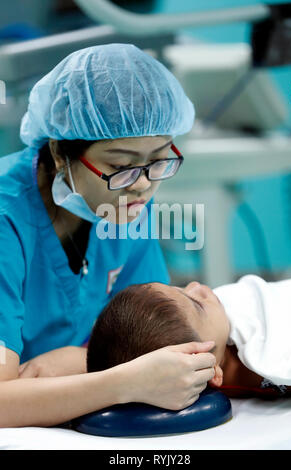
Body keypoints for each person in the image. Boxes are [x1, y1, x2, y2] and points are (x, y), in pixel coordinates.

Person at [0, 44, 217, 428]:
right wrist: (122, 382)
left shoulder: (128, 201)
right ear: (60, 150)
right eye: (121, 166)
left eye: (159, 159)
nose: (144, 187)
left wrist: (79, 362)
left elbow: (155, 335)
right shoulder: (7, 219)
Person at [87, 275, 291, 398]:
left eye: (178, 287)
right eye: (197, 304)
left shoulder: (254, 324)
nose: (196, 286)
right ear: (203, 363)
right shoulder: (269, 361)